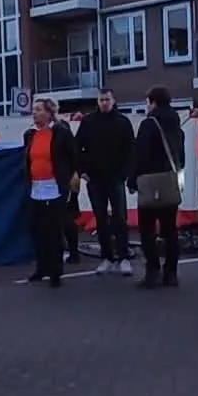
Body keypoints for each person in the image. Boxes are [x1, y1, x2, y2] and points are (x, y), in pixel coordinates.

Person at [129, 86, 186, 289]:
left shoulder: (149, 124)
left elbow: (140, 154)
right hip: (169, 180)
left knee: (147, 230)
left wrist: (132, 179)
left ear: (153, 102)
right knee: (170, 230)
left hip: (150, 182)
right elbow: (180, 155)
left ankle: (152, 271)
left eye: (147, 102)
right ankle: (171, 273)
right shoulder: (176, 124)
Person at [75, 88, 134, 277]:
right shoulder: (88, 122)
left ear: (113, 100)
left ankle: (123, 257)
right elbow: (77, 147)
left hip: (116, 177)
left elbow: (130, 150)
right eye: (101, 100)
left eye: (107, 99)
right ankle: (106, 257)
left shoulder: (123, 122)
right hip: (95, 178)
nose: (104, 103)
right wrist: (82, 171)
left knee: (120, 218)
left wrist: (125, 173)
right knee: (100, 219)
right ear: (97, 102)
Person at [22, 98, 77, 288]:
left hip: (54, 187)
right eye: (33, 109)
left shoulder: (61, 132)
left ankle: (55, 271)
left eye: (38, 109)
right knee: (37, 230)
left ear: (48, 112)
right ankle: (41, 267)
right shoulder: (30, 134)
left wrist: (72, 177)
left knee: (54, 230)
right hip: (36, 188)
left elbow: (72, 156)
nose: (34, 113)